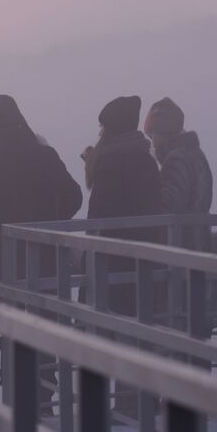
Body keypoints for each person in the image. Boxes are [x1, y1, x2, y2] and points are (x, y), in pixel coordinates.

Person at [0, 94, 83, 284]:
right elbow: (74, 197)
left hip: (4, 255)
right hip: (46, 254)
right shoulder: (45, 154)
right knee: (48, 312)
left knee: (9, 312)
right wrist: (50, 219)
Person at [143, 97, 217, 337]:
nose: (151, 141)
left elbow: (170, 205)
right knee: (195, 325)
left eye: (152, 134)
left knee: (179, 320)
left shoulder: (177, 158)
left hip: (183, 247)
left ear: (162, 132)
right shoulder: (195, 153)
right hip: (198, 245)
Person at [81, 96, 163, 317]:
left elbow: (99, 216)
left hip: (110, 264)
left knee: (104, 331)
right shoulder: (146, 162)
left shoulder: (110, 165)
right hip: (143, 263)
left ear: (110, 130)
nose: (99, 133)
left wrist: (85, 259)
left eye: (102, 127)